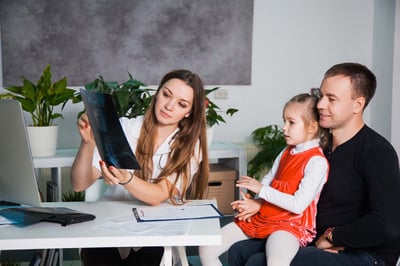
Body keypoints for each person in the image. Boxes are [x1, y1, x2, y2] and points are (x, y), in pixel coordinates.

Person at [228, 62, 400, 266]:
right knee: (239, 251)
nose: (320, 104)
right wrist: (260, 204)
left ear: (357, 105)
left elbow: (387, 224)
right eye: (321, 95)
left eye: (331, 99)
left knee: (258, 263)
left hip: (363, 253)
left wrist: (333, 237)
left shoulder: (376, 151)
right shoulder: (318, 147)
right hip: (312, 236)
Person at [70, 69, 209, 266]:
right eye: (166, 94)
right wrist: (87, 143)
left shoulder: (190, 147)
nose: (169, 105)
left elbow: (158, 196)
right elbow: (78, 184)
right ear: (157, 93)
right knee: (97, 254)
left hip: (155, 230)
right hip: (110, 224)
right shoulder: (125, 127)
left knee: (149, 254)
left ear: (189, 112)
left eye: (181, 104)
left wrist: (125, 178)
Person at [199, 93, 329, 266]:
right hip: (265, 216)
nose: (284, 127)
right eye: (284, 121)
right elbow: (269, 179)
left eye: (291, 122)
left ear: (312, 127)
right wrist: (256, 203)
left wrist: (261, 190)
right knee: (207, 247)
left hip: (291, 225)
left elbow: (298, 205)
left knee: (277, 261)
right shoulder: (286, 151)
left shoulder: (317, 162)